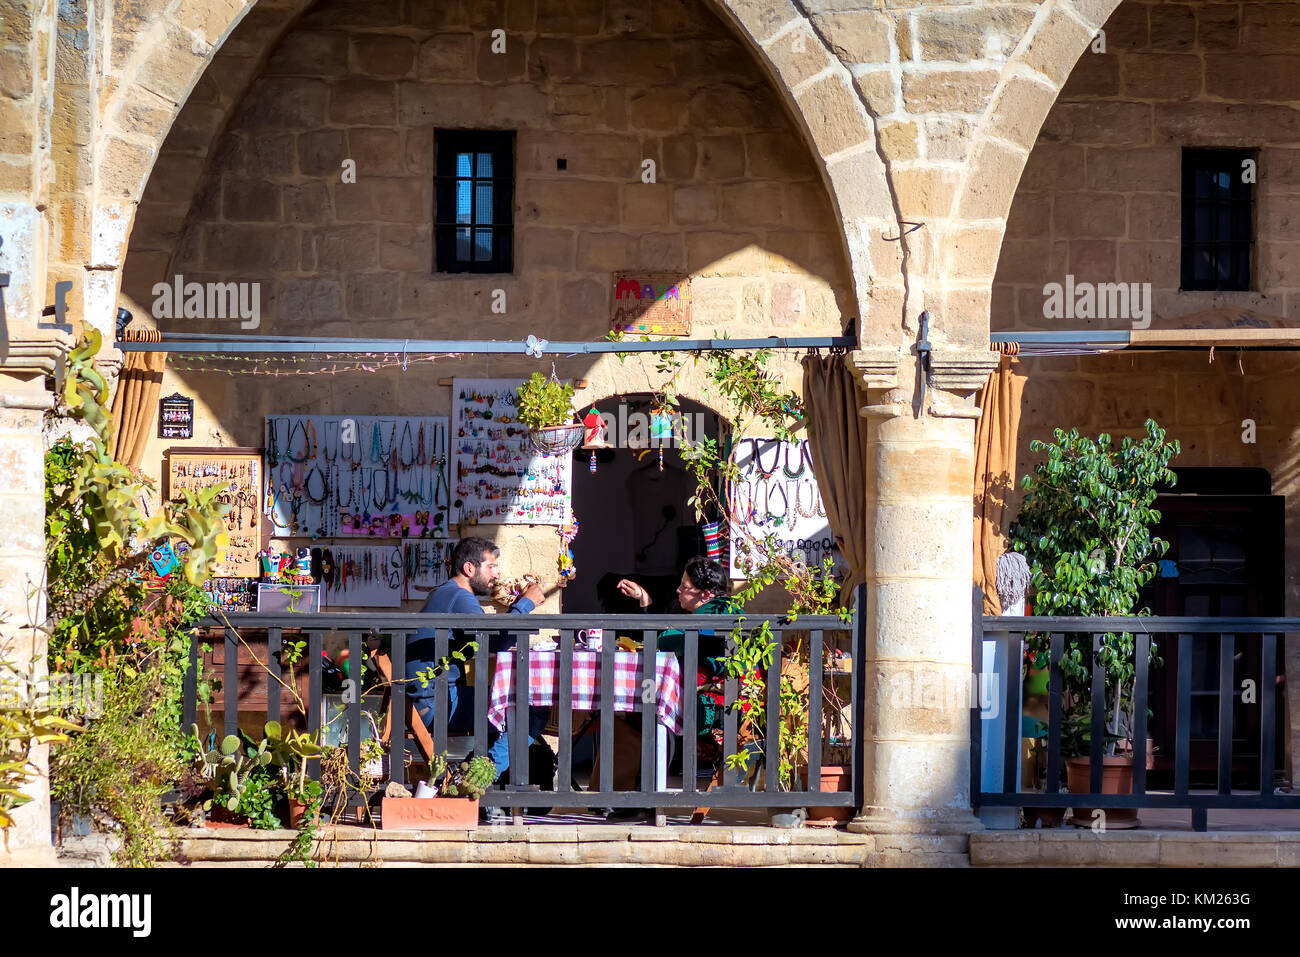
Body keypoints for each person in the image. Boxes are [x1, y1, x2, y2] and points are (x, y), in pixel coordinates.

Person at [405, 537, 548, 819]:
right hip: (435, 704)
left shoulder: (447, 593)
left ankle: (468, 780)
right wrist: (525, 605)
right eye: (491, 567)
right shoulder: (460, 596)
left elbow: (490, 638)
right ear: (469, 568)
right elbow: (492, 642)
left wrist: (518, 605)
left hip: (433, 698)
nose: (496, 574)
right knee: (532, 708)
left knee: (505, 710)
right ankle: (470, 783)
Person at [597, 557, 738, 818]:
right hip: (678, 689)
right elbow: (663, 639)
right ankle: (624, 794)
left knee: (643, 711)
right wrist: (645, 602)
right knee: (636, 706)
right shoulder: (707, 611)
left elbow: (665, 640)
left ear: (705, 594)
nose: (678, 590)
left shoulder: (718, 612)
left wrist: (650, 612)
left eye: (684, 587)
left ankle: (644, 799)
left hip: (706, 699)